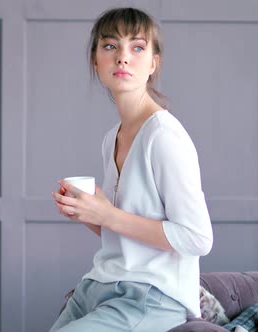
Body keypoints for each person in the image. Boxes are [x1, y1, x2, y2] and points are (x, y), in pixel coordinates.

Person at [50, 7, 213, 332]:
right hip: (99, 285)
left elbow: (197, 238)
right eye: (110, 46)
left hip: (152, 296)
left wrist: (108, 215)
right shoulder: (112, 138)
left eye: (137, 47)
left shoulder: (164, 137)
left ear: (153, 63)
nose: (123, 57)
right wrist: (91, 215)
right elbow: (129, 234)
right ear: (96, 61)